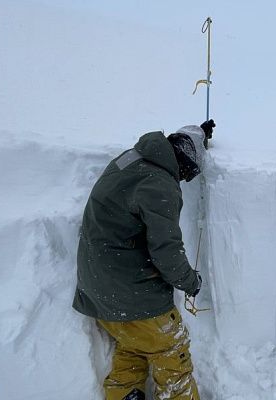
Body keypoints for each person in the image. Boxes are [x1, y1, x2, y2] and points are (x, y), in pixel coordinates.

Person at [73, 120, 215, 400]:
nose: (184, 179)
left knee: (133, 347)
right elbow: (167, 251)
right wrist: (191, 282)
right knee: (171, 352)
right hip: (133, 294)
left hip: (98, 289)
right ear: (183, 162)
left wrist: (197, 135)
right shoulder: (159, 183)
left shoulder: (131, 160)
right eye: (188, 172)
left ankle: (126, 395)